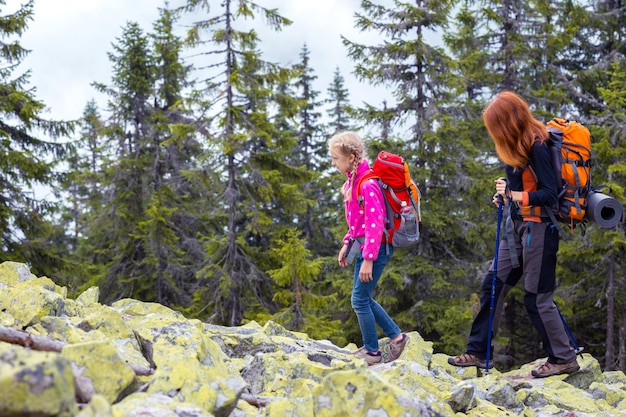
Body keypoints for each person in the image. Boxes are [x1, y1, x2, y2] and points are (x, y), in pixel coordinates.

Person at [448, 91, 580, 378]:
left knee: (537, 297)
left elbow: (549, 194)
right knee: (492, 285)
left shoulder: (538, 145)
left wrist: (514, 194)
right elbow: (518, 190)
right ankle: (478, 351)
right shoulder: (514, 148)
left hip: (540, 230)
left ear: (508, 122)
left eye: (496, 126)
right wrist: (506, 198)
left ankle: (564, 358)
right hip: (515, 228)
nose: (493, 133)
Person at [328, 131, 407, 365]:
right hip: (365, 248)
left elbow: (375, 224)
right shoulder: (353, 182)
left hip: (376, 249)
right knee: (362, 297)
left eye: (335, 158)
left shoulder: (368, 184)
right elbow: (358, 223)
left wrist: (369, 259)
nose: (333, 163)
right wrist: (347, 244)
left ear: (351, 157)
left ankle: (373, 351)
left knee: (359, 300)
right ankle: (396, 337)